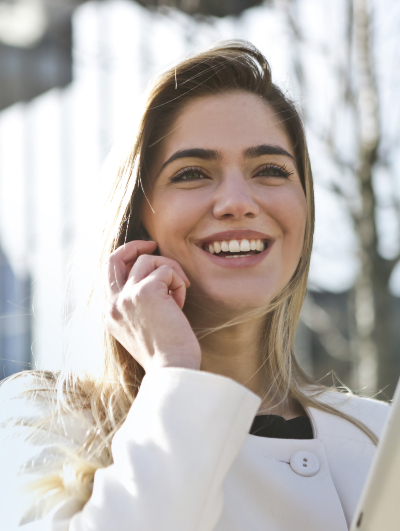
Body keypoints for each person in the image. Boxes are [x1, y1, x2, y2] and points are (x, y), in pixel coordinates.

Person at [0, 40, 390, 531]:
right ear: (137, 222)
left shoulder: (380, 439)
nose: (237, 201)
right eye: (192, 173)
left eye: (270, 170)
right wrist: (174, 376)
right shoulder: (40, 420)